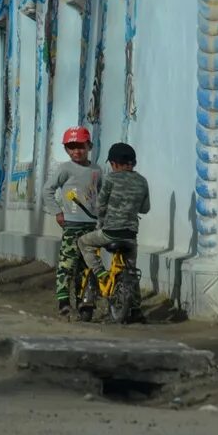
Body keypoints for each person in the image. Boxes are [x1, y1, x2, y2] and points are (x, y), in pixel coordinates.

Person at [77, 142, 149, 318]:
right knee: (131, 270)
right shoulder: (142, 181)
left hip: (110, 233)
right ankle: (136, 309)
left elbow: (100, 206)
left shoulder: (110, 179)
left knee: (83, 242)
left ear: (115, 163)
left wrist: (102, 219)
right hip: (131, 236)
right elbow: (145, 208)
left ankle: (100, 273)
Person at [43, 126, 102, 316]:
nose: (76, 151)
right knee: (67, 263)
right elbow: (48, 190)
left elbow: (99, 194)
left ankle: (85, 301)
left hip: (90, 226)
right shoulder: (65, 169)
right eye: (71, 147)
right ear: (66, 149)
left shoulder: (96, 169)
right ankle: (63, 301)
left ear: (89, 146)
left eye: (80, 147)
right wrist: (57, 212)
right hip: (71, 224)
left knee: (88, 265)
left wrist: (101, 216)